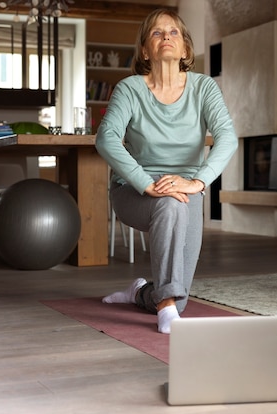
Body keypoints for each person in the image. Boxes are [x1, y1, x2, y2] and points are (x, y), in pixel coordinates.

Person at [95, 8, 238, 334]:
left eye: (174, 32)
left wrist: (197, 181)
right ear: (145, 50)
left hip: (186, 192)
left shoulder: (204, 88)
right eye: (157, 33)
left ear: (186, 49)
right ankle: (165, 306)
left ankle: (143, 293)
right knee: (169, 204)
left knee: (179, 298)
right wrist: (147, 183)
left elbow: (228, 138)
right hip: (134, 192)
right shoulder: (130, 88)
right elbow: (106, 139)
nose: (166, 38)